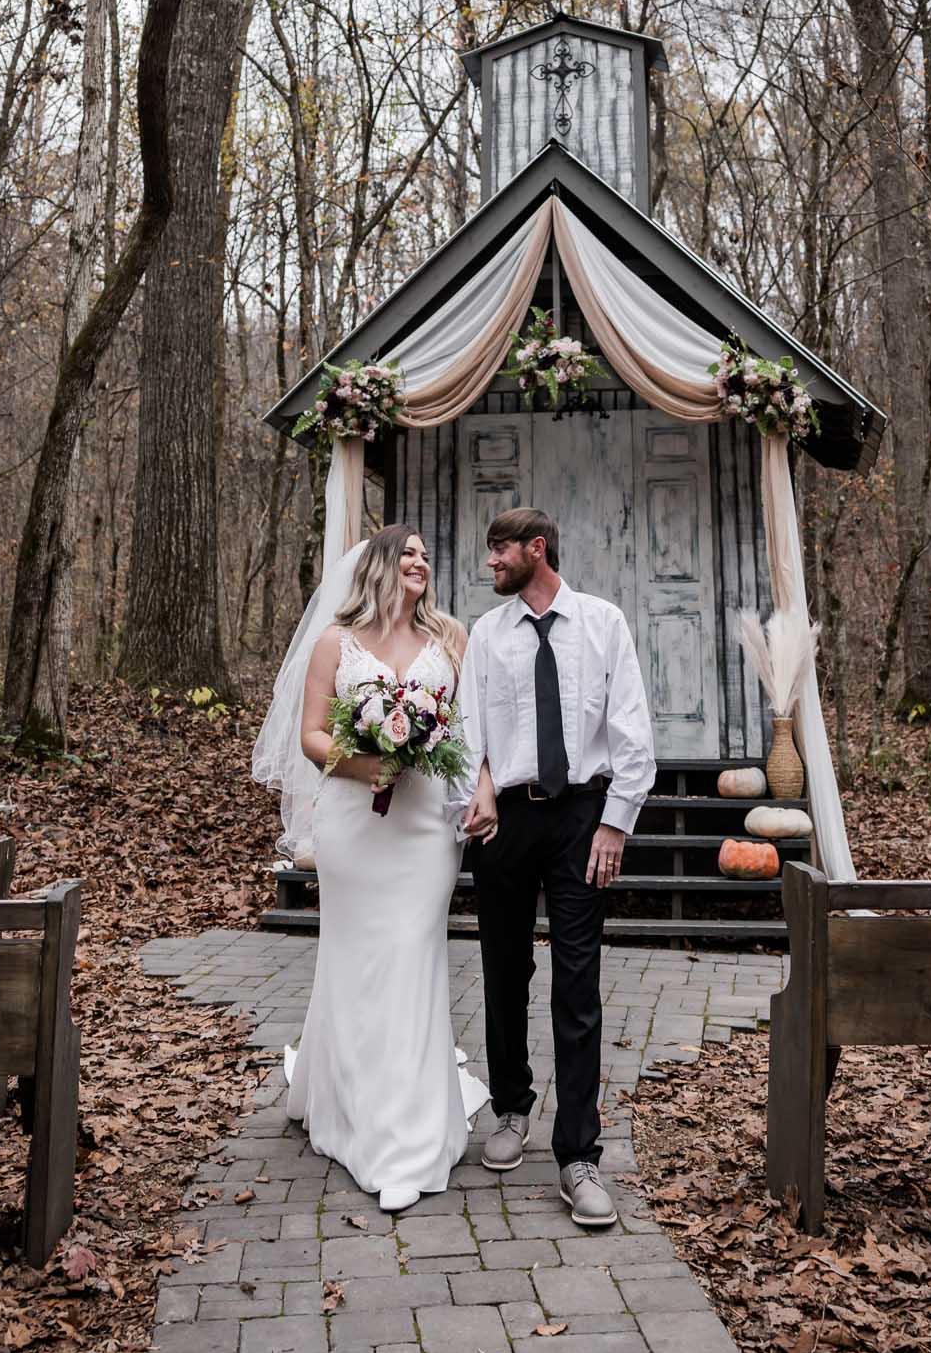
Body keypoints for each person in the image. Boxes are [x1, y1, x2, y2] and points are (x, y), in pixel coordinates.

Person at [274, 524, 490, 1213]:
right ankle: (342, 1096)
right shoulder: (335, 642)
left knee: (409, 955)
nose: (420, 562)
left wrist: (479, 790)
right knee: (356, 958)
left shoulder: (451, 639)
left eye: (427, 554)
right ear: (376, 566)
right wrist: (372, 763)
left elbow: (473, 728)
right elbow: (310, 734)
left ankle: (404, 1139)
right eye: (408, 553)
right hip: (351, 823)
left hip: (426, 824)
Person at [459, 506, 656, 1228]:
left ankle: (578, 1157)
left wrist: (615, 823)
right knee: (503, 971)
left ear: (535, 549)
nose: (490, 564)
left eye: (498, 551)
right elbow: (464, 727)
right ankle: (511, 1108)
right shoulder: (486, 634)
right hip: (505, 821)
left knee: (579, 984)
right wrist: (476, 790)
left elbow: (631, 728)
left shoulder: (602, 624)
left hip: (581, 819)